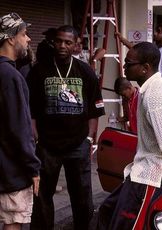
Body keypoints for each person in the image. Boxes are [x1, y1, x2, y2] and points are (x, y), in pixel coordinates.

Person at [97, 42, 162, 230]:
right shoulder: (154, 87)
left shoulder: (155, 95)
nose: (124, 67)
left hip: (153, 177)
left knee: (125, 225)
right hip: (143, 172)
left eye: (128, 63)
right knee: (107, 211)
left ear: (145, 68)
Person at [27, 25, 105, 230]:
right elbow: (31, 110)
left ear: (76, 45)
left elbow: (94, 111)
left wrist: (89, 139)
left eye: (68, 42)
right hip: (47, 145)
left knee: (82, 197)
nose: (62, 45)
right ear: (54, 42)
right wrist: (36, 138)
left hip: (77, 145)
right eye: (59, 41)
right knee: (42, 196)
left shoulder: (85, 71)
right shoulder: (39, 71)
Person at [0, 12, 41, 230]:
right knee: (13, 223)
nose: (28, 39)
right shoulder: (11, 76)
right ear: (10, 38)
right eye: (24, 34)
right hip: (12, 171)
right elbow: (20, 129)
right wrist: (33, 168)